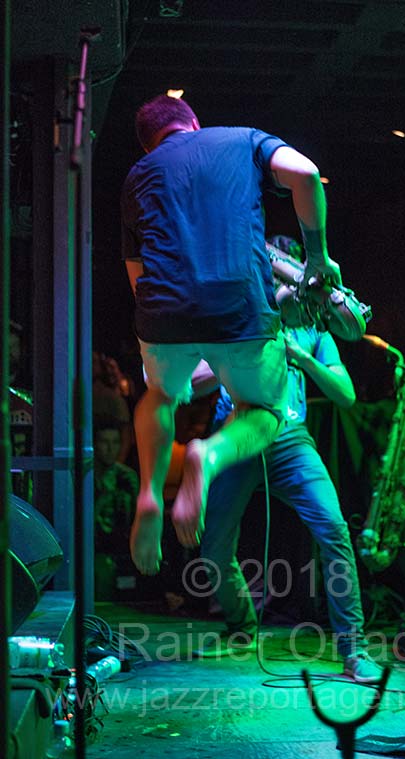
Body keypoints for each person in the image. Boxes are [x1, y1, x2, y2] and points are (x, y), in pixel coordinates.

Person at [121, 94, 341, 576]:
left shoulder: (139, 174)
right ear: (194, 124)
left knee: (160, 395)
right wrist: (317, 257)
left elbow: (137, 275)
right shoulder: (243, 140)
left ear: (149, 146)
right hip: (239, 311)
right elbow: (306, 174)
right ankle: (208, 455)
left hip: (164, 316)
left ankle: (149, 493)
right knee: (265, 409)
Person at [195, 236, 381, 684]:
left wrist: (301, 358)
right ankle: (241, 626)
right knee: (213, 547)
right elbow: (194, 383)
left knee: (333, 528)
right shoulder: (240, 311)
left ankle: (353, 650)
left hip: (289, 439)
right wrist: (239, 349)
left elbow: (346, 394)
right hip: (237, 434)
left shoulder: (314, 327)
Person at [93, 416, 139, 599]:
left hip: (123, 548)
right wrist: (104, 497)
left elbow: (135, 519)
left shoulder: (126, 477)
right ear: (94, 445)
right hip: (94, 550)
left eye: (115, 442)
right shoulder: (86, 476)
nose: (110, 448)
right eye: (104, 442)